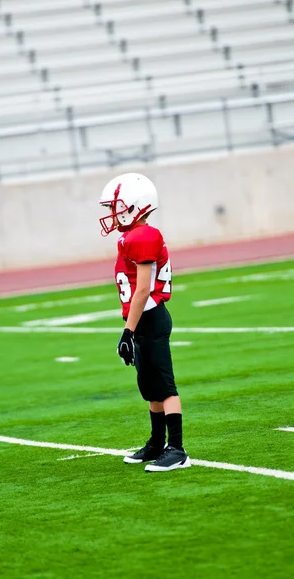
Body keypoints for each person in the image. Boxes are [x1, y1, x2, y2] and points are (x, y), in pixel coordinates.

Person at [99, 172, 190, 472]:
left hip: (150, 317)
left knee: (165, 386)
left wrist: (128, 331)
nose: (113, 213)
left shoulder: (144, 236)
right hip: (141, 320)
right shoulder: (130, 237)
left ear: (136, 206)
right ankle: (156, 443)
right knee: (149, 385)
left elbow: (143, 290)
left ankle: (176, 449)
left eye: (118, 206)